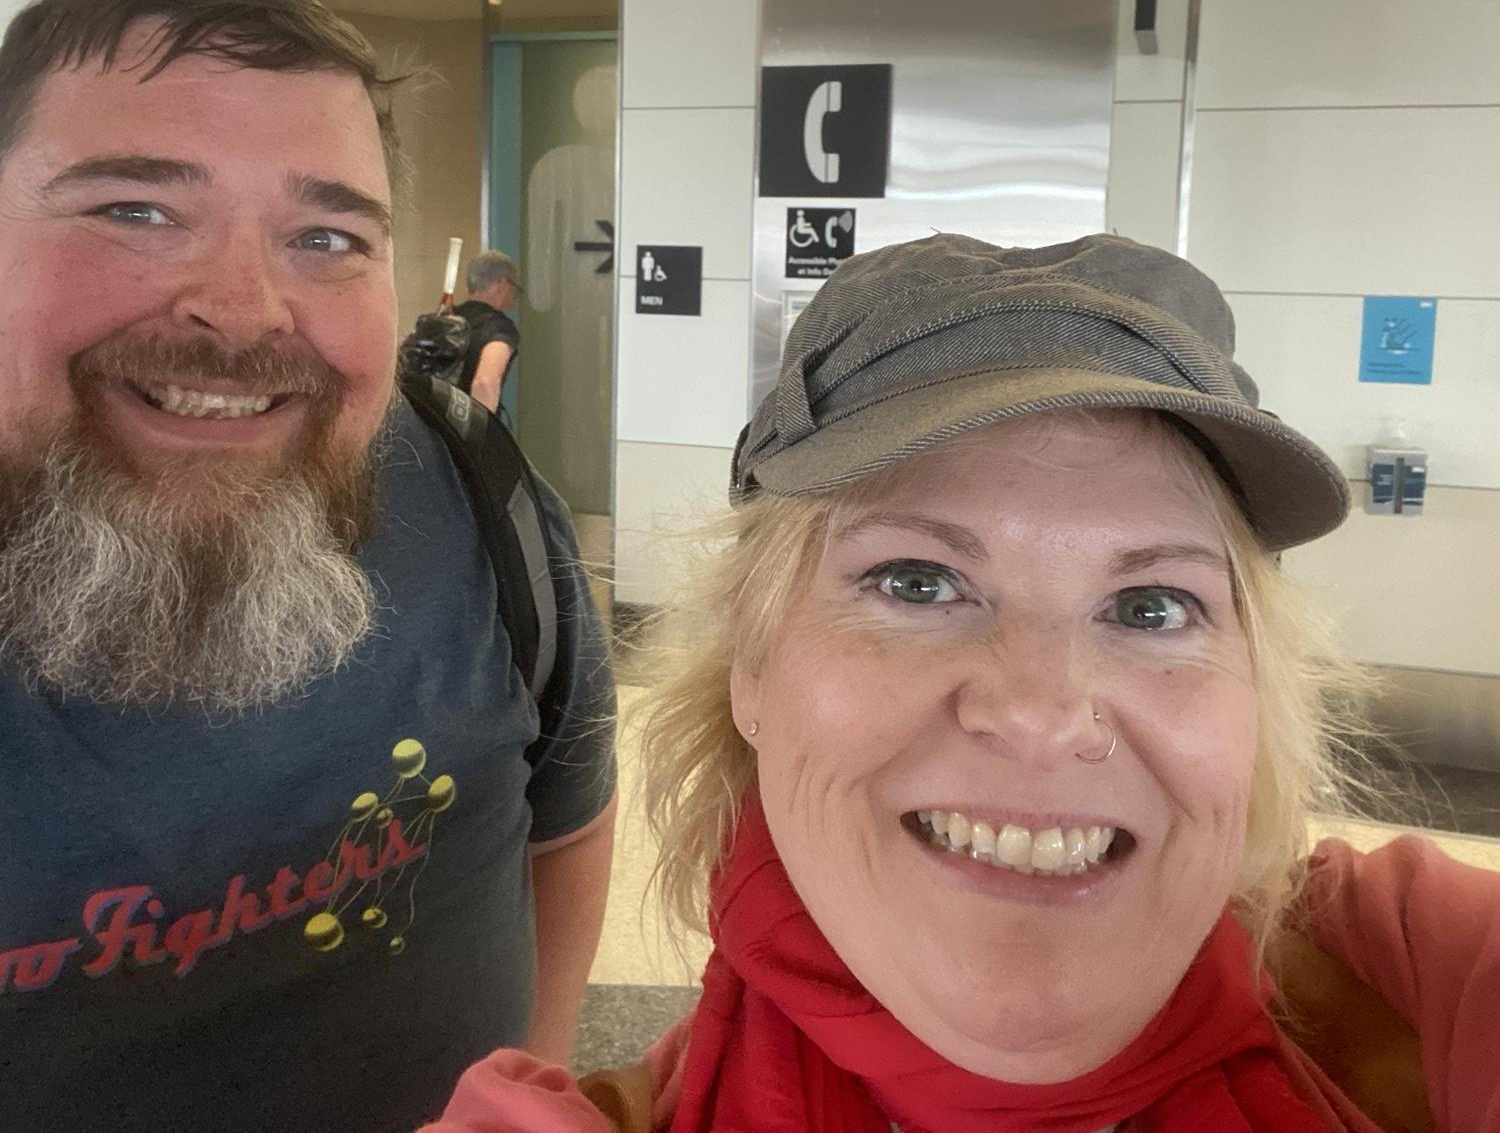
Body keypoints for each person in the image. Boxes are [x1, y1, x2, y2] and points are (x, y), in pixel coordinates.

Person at [425, 233, 1499, 1133]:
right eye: (916, 581)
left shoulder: (1415, 976)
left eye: (1151, 607)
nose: (1041, 713)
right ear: (753, 666)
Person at [0, 0, 618, 1133]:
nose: (242, 309)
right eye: (135, 210)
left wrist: (526, 1092)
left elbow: (563, 821)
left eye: (327, 236)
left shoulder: (477, 494)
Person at [455, 249, 522, 413]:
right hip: (461, 421)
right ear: (502, 286)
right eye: (516, 290)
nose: (515, 298)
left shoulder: (444, 317)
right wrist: (480, 426)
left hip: (427, 422)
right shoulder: (499, 327)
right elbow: (485, 383)